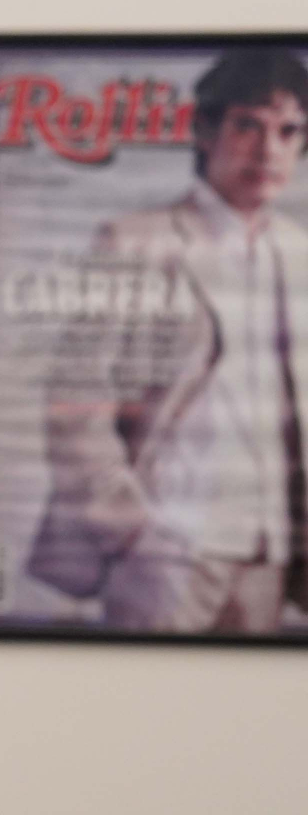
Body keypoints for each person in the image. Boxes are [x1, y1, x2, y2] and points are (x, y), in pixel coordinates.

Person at [30, 46, 308, 633]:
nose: (269, 149)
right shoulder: (136, 241)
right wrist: (130, 523)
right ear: (203, 129)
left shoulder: (300, 251)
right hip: (166, 550)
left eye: (289, 131)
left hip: (272, 552)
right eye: (247, 125)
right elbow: (74, 397)